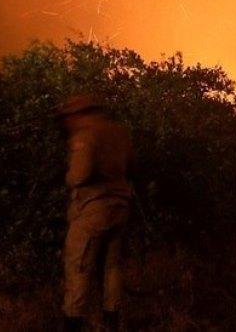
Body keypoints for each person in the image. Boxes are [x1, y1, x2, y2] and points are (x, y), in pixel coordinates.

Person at [57, 94, 135, 332]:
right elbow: (131, 165)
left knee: (78, 266)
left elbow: (79, 175)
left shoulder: (85, 135)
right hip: (120, 206)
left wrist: (68, 177)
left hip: (93, 208)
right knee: (112, 266)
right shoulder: (119, 132)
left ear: (79, 114)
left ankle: (73, 323)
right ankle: (112, 322)